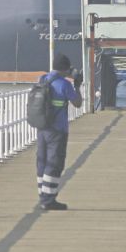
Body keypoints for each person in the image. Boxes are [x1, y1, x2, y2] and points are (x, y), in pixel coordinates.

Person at [36, 54, 82, 211]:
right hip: (58, 129)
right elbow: (77, 103)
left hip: (42, 127)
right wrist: (77, 85)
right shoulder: (64, 84)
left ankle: (42, 194)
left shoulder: (42, 79)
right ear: (65, 69)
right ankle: (48, 200)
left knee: (42, 161)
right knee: (54, 163)